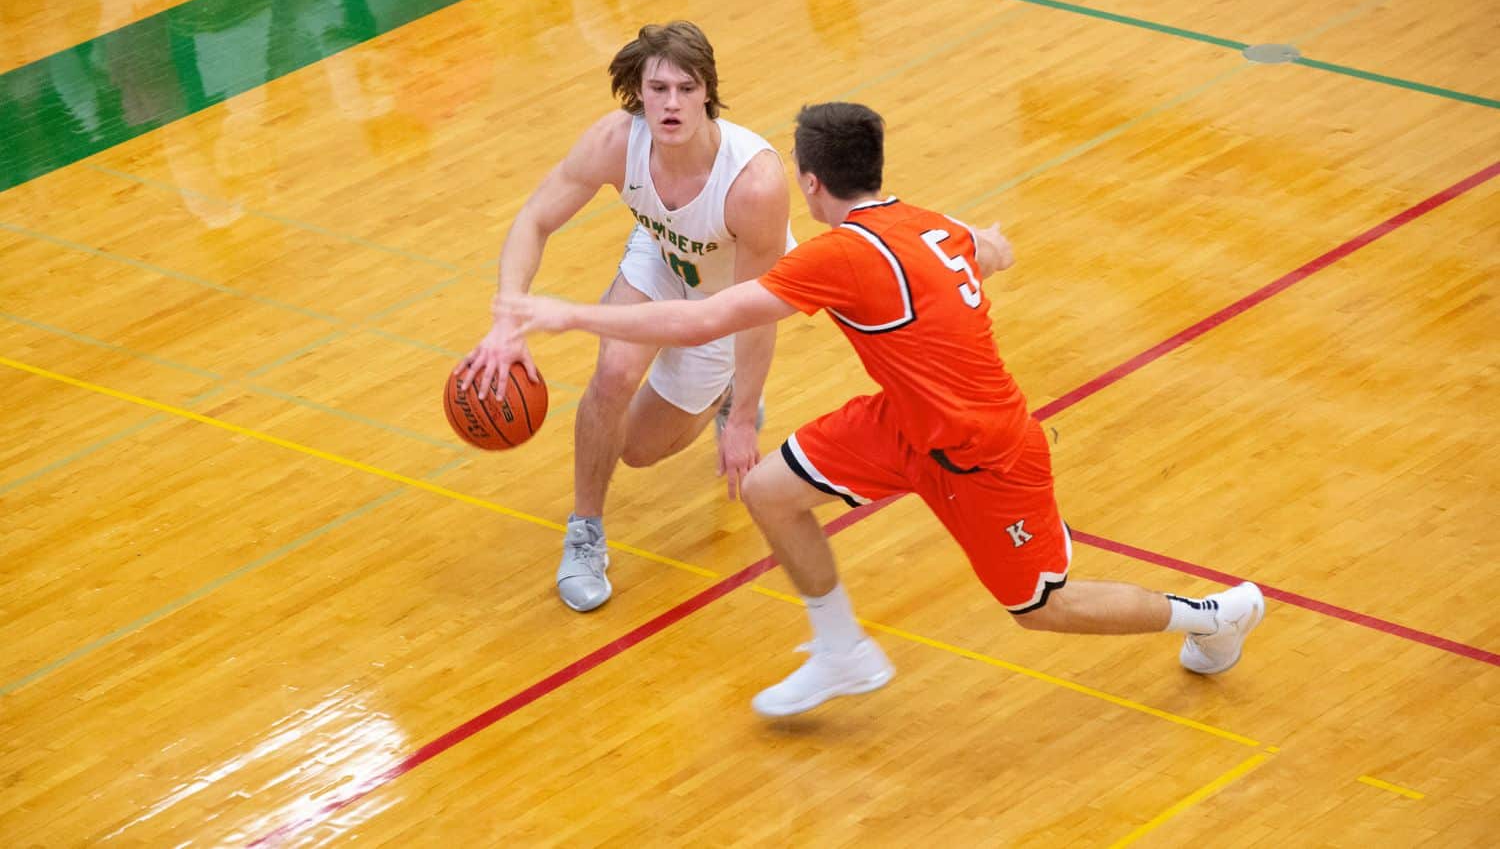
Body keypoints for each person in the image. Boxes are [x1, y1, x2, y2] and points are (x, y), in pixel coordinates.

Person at [505, 101, 1265, 716]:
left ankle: (1209, 617)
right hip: (904, 420)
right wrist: (988, 248)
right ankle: (842, 651)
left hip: (988, 452)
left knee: (1040, 607)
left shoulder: (841, 254)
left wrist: (572, 315)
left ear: (809, 183)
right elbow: (986, 245)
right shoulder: (925, 220)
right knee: (771, 491)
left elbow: (701, 320)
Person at [456, 21, 791, 613]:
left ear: (708, 92)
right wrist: (507, 317)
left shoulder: (754, 184)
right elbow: (534, 219)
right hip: (661, 260)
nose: (671, 103)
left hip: (728, 300)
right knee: (612, 377)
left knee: (637, 449)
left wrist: (742, 417)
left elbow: (755, 314)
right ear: (637, 93)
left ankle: (725, 395)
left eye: (686, 89)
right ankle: (584, 532)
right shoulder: (617, 141)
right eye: (658, 89)